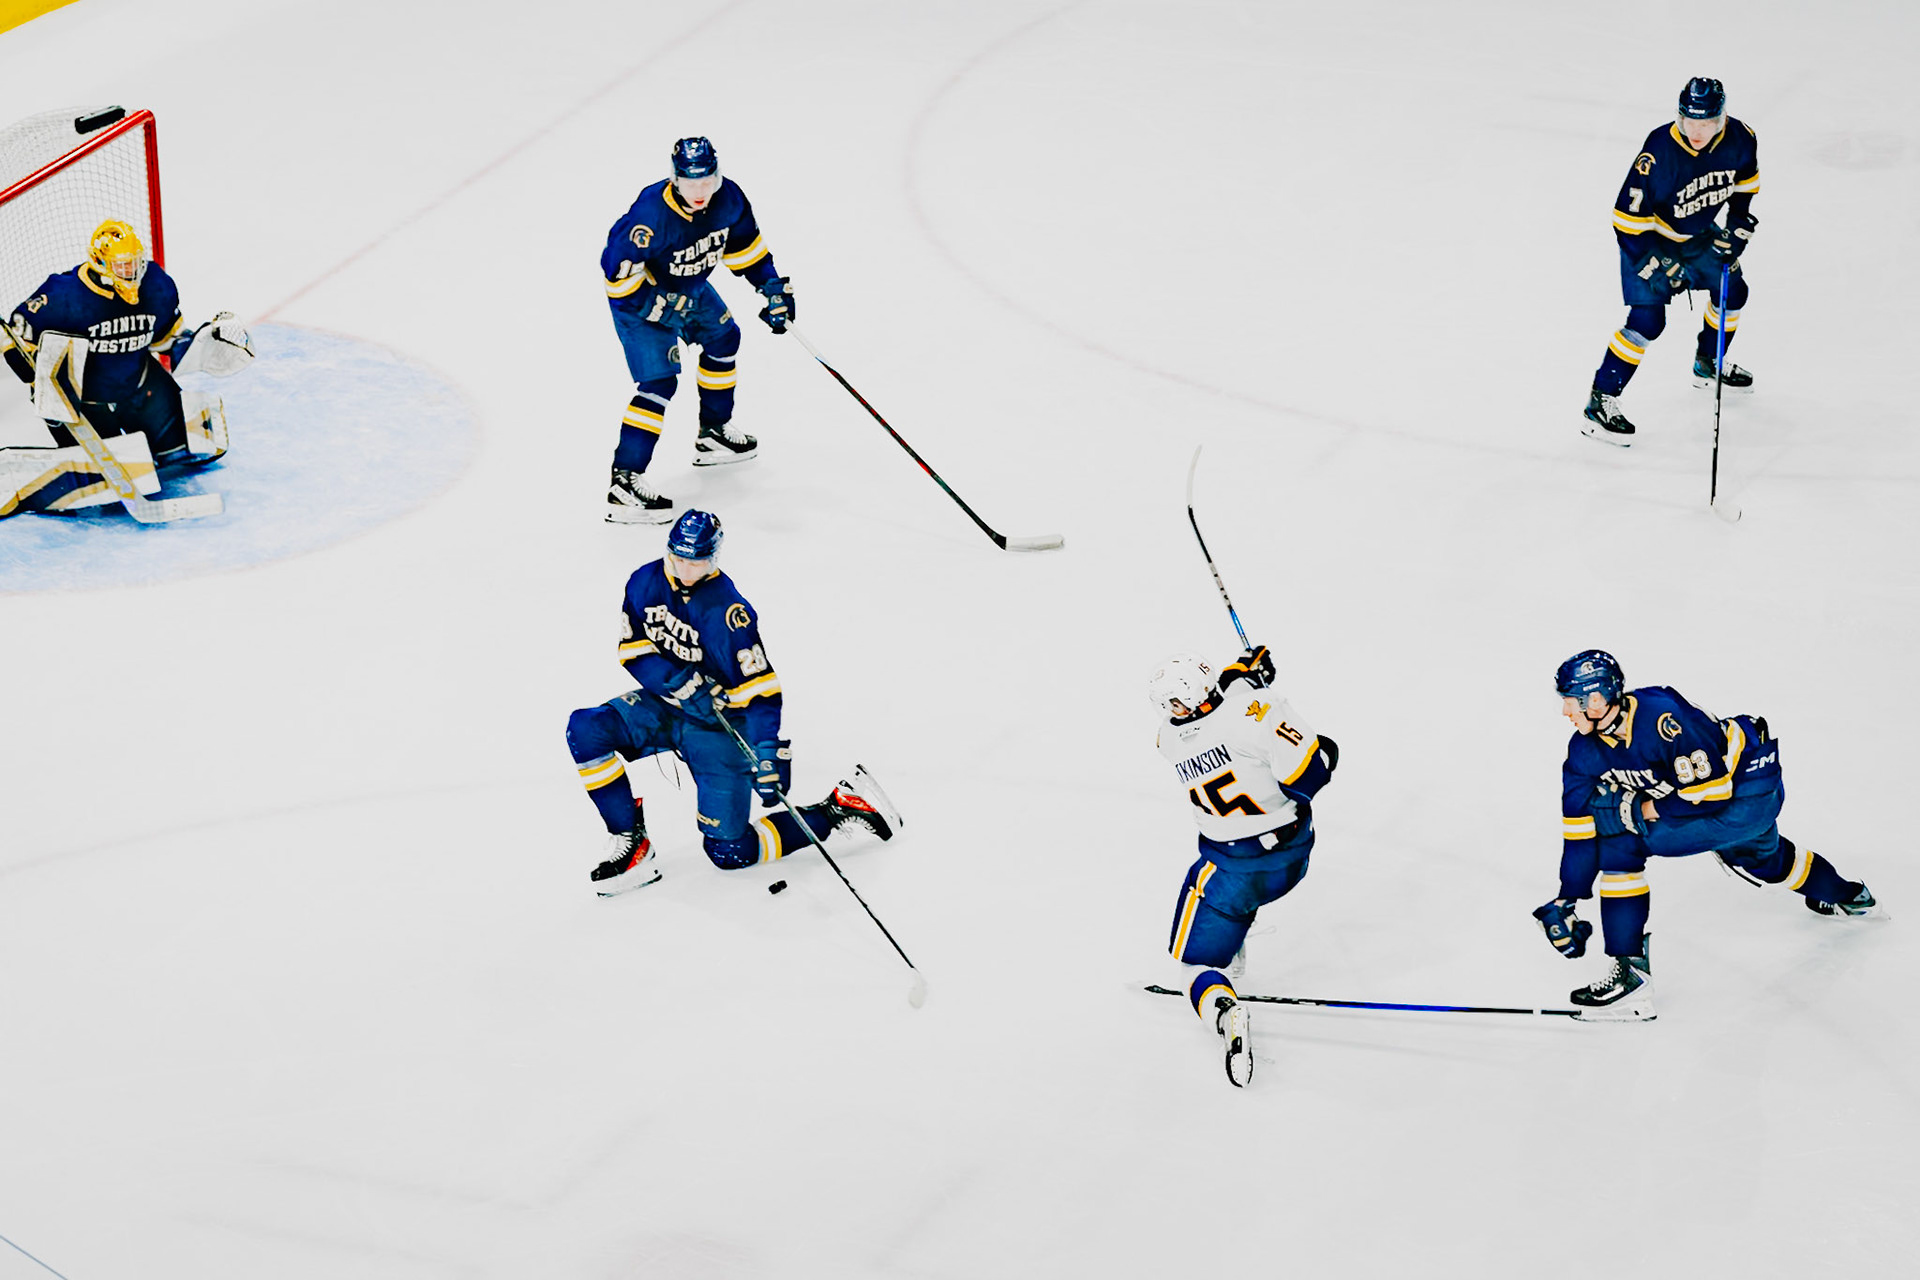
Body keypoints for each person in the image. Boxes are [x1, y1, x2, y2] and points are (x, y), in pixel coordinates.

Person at [563, 508, 899, 893]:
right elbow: (633, 650)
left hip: (720, 725)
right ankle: (632, 843)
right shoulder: (644, 582)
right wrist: (675, 682)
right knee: (586, 729)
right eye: (678, 559)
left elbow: (760, 691)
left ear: (714, 559)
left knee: (729, 852)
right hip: (666, 706)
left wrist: (767, 750)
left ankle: (838, 808)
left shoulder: (728, 613)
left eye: (697, 562)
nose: (685, 571)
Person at [1537, 650, 1882, 1022]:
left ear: (1596, 699)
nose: (1565, 712)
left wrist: (1638, 810)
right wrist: (1567, 898)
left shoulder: (1662, 717)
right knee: (1768, 861)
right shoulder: (1583, 752)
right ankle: (1851, 897)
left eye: (1570, 701)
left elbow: (1712, 795)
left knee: (1621, 842)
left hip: (1747, 793)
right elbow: (1579, 830)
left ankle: (1631, 977)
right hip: (1728, 803)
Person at [1147, 646, 1339, 1087]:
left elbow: (1214, 713)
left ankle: (1223, 1008)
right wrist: (1308, 738)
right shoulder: (1259, 711)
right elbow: (1311, 776)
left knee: (1197, 965)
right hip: (1292, 854)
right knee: (1239, 898)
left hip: (1234, 870)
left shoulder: (1168, 740)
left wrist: (1240, 675)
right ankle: (1230, 952)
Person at [598, 137, 796, 523]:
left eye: (707, 181)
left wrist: (771, 288)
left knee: (724, 338)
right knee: (658, 384)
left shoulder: (729, 199)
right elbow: (615, 276)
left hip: (689, 288)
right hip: (640, 304)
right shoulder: (650, 216)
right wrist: (655, 304)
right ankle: (624, 482)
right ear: (675, 180)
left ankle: (714, 432)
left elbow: (747, 251)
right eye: (691, 183)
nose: (700, 191)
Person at [1, 219, 251, 515]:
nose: (130, 271)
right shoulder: (61, 297)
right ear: (99, 263)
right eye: (121, 265)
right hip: (85, 403)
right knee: (116, 486)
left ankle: (153, 435)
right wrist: (40, 381)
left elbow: (166, 338)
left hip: (140, 385)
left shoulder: (155, 284)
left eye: (134, 262)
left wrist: (202, 346)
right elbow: (13, 340)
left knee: (180, 453)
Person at [1583, 77, 1761, 446]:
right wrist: (1659, 264)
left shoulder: (1742, 138)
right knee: (1648, 321)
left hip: (1696, 234)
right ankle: (1600, 401)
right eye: (1689, 122)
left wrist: (1737, 228)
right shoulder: (1658, 151)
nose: (1696, 132)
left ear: (1721, 119)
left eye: (1706, 123)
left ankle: (1708, 362)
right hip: (1647, 240)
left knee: (1733, 291)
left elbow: (1744, 188)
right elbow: (1625, 221)